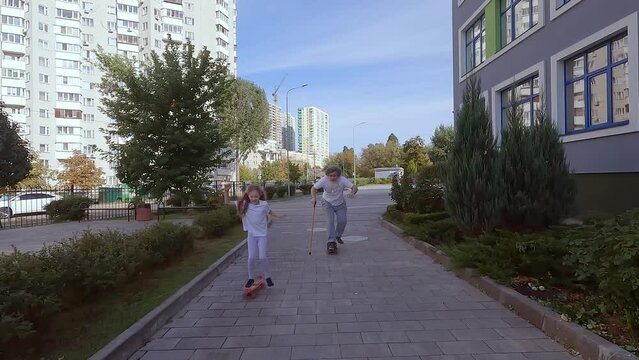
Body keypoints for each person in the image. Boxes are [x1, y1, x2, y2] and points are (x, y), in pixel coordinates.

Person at [224, 183, 279, 288]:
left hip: (262, 235)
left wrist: (279, 215)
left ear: (260, 195)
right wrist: (226, 191)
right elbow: (227, 203)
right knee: (251, 257)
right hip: (252, 236)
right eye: (251, 196)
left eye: (256, 196)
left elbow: (270, 211)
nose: (254, 199)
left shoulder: (264, 204)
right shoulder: (244, 204)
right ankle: (250, 278)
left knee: (262, 257)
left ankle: (268, 276)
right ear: (248, 195)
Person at [310, 166, 358, 249]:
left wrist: (352, 193)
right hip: (327, 203)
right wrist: (313, 198)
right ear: (327, 175)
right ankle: (331, 242)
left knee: (343, 221)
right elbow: (313, 188)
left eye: (334, 176)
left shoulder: (342, 179)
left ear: (338, 175)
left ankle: (338, 235)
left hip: (340, 203)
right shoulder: (323, 180)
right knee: (330, 222)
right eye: (330, 175)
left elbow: (354, 187)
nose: (332, 177)